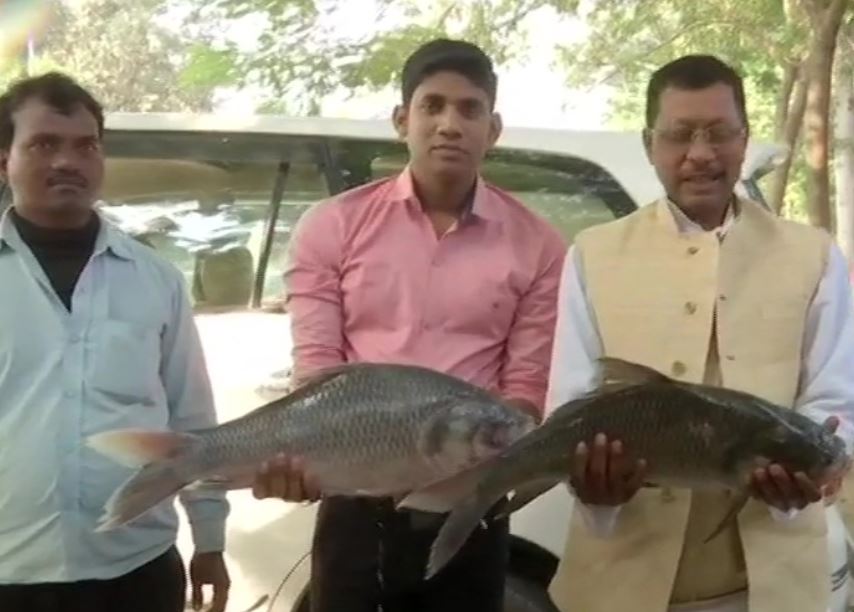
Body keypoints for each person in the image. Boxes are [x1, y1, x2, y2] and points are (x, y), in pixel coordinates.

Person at [252, 38, 567, 611]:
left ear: (492, 129)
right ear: (403, 120)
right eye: (433, 106)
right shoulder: (333, 227)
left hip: (471, 511)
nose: (450, 124)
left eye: (469, 110)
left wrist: (474, 450)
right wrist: (301, 461)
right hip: (354, 507)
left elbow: (526, 392)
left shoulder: (540, 245)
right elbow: (317, 376)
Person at [544, 54, 854, 612]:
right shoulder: (593, 255)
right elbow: (570, 406)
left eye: (719, 133)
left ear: (746, 138)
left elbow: (835, 404)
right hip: (620, 583)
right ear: (649, 143)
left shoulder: (814, 257)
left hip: (775, 588)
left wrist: (801, 477)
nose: (701, 154)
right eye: (681, 135)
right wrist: (593, 487)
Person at [0, 72, 230, 612]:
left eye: (86, 146)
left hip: (137, 569)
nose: (67, 161)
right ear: (3, 157)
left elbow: (193, 420)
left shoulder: (155, 280)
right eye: (43, 144)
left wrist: (211, 539)